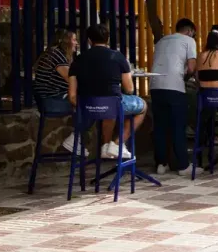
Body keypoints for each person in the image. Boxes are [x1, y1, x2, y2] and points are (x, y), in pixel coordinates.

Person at [68, 23, 147, 158]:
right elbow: (129, 89)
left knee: (108, 105)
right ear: (108, 39)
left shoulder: (78, 60)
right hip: (112, 104)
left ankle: (106, 146)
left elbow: (72, 95)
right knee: (142, 106)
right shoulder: (117, 56)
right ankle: (117, 144)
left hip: (88, 107)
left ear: (89, 40)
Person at [149, 18, 198, 176]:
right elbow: (191, 67)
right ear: (190, 31)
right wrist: (185, 77)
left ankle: (161, 164)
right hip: (174, 86)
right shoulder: (189, 41)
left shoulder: (162, 40)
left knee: (160, 126)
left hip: (155, 85)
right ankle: (183, 165)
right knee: (178, 126)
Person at [33, 28, 82, 154]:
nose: (76, 43)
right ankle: (75, 140)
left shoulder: (53, 53)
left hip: (48, 99)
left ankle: (77, 140)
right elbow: (71, 80)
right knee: (90, 105)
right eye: (74, 40)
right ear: (66, 42)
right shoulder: (57, 56)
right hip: (51, 102)